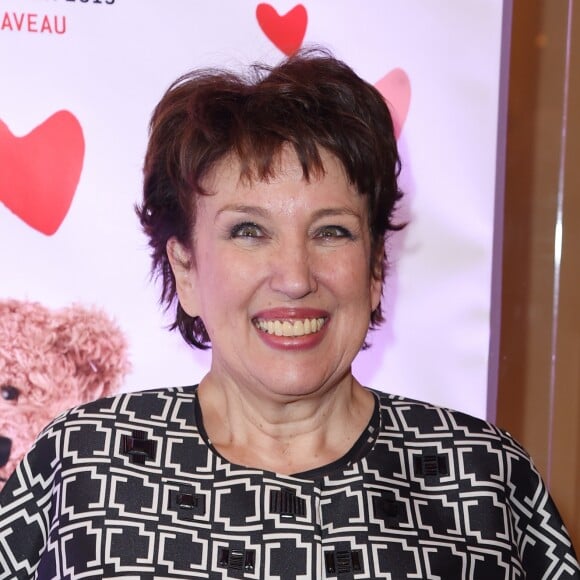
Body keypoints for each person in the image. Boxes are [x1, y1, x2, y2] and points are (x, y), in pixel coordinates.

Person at [0, 48, 578, 580]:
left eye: (332, 232)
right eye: (249, 231)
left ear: (375, 269)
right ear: (186, 271)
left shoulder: (481, 479)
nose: (296, 277)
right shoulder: (82, 466)